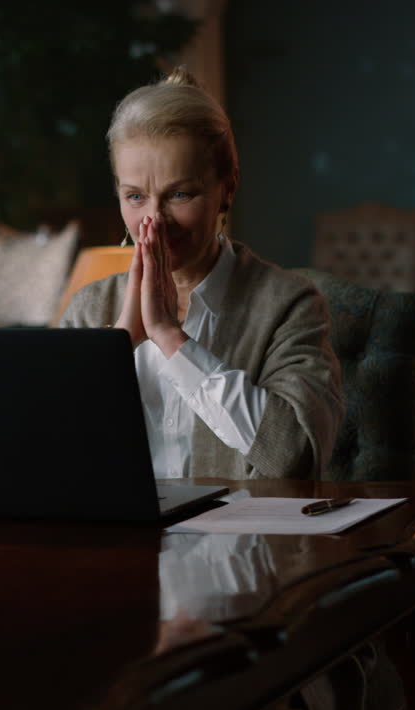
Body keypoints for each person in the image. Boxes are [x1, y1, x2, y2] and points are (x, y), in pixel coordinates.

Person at [59, 68, 343, 482]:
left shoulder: (289, 305)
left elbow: (294, 456)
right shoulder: (89, 307)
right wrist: (117, 347)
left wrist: (170, 338)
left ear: (227, 188)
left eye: (179, 194)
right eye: (135, 196)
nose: (154, 220)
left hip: (241, 527)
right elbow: (50, 453)